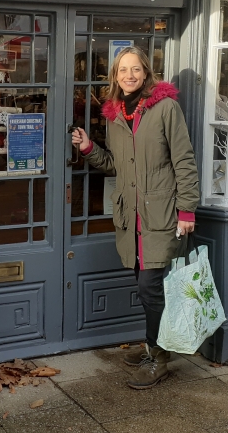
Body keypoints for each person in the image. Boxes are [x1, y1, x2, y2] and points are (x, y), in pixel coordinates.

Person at [71, 46, 199, 389]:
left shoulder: (165, 108)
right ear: (115, 76)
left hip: (162, 215)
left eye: (135, 69)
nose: (129, 75)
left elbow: (184, 160)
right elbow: (117, 166)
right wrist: (88, 149)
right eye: (122, 70)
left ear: (146, 73)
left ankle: (159, 359)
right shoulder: (114, 115)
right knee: (146, 287)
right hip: (132, 219)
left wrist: (187, 209)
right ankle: (153, 345)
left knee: (150, 287)